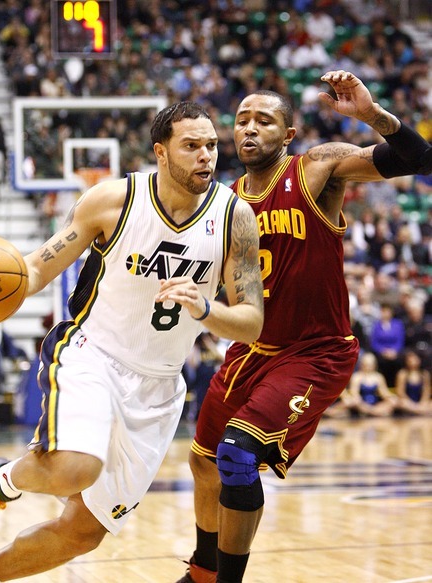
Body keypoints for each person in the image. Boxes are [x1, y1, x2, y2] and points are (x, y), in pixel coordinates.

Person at [0, 101, 264, 583]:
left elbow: (252, 322)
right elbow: (36, 267)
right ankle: (1, 480)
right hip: (93, 356)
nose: (206, 157)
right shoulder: (113, 201)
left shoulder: (235, 218)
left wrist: (207, 309)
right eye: (191, 146)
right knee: (74, 469)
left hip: (159, 388)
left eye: (211, 145)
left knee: (83, 532)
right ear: (160, 152)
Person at [176, 69, 432, 583]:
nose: (248, 128)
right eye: (241, 119)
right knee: (203, 462)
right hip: (252, 350)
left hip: (315, 350)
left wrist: (372, 116)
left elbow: (418, 159)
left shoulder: (316, 168)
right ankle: (204, 572)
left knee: (236, 457)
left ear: (287, 135)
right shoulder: (222, 202)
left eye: (264, 120)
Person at [347, 351, 397, 417]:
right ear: (361, 364)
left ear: (374, 365)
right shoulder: (356, 376)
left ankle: (372, 412)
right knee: (354, 401)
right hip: (361, 404)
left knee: (394, 401)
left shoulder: (378, 377)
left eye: (370, 364)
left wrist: (391, 397)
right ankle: (376, 412)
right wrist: (358, 399)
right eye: (366, 364)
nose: (368, 367)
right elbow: (354, 393)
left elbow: (384, 393)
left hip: (375, 405)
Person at [394, 349, 432, 416]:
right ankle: (421, 411)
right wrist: (413, 405)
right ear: (406, 361)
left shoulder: (425, 374)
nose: (412, 362)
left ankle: (419, 411)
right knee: (400, 402)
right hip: (407, 402)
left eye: (415, 359)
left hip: (420, 402)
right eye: (410, 360)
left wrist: (422, 402)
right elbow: (400, 392)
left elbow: (426, 391)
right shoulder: (402, 373)